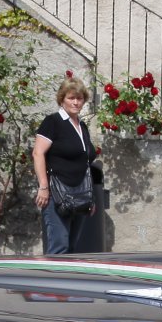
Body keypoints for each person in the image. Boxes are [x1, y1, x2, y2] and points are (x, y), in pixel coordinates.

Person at [32, 77, 99, 256]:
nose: (76, 102)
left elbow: (85, 162)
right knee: (59, 248)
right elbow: (38, 153)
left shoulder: (81, 126)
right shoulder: (52, 122)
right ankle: (51, 276)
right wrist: (43, 187)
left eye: (79, 98)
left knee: (72, 251)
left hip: (79, 195)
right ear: (62, 99)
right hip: (57, 195)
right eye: (71, 98)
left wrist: (90, 197)